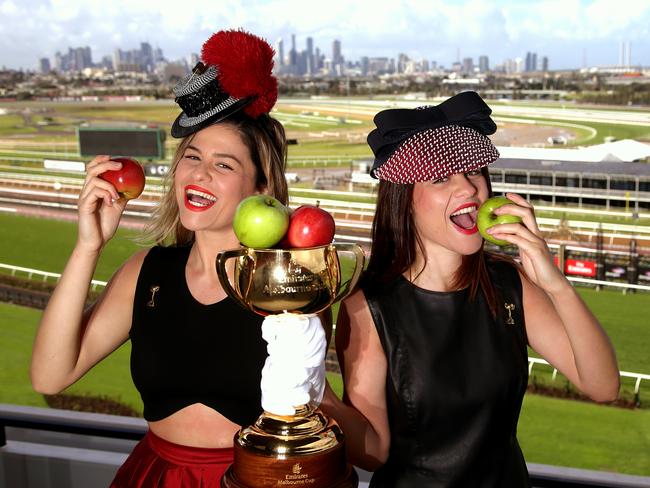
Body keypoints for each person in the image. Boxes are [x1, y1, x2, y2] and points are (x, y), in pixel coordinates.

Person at [319, 91, 620, 487]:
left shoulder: (508, 283)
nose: (469, 189)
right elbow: (373, 451)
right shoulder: (367, 306)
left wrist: (555, 283)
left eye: (473, 172)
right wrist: (312, 389)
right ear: (404, 201)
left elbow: (603, 386)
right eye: (441, 177)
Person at [30, 29, 290, 486]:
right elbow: (51, 376)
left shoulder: (287, 280)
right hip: (156, 476)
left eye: (224, 164)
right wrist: (89, 245)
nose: (200, 173)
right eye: (192, 156)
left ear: (262, 187)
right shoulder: (146, 273)